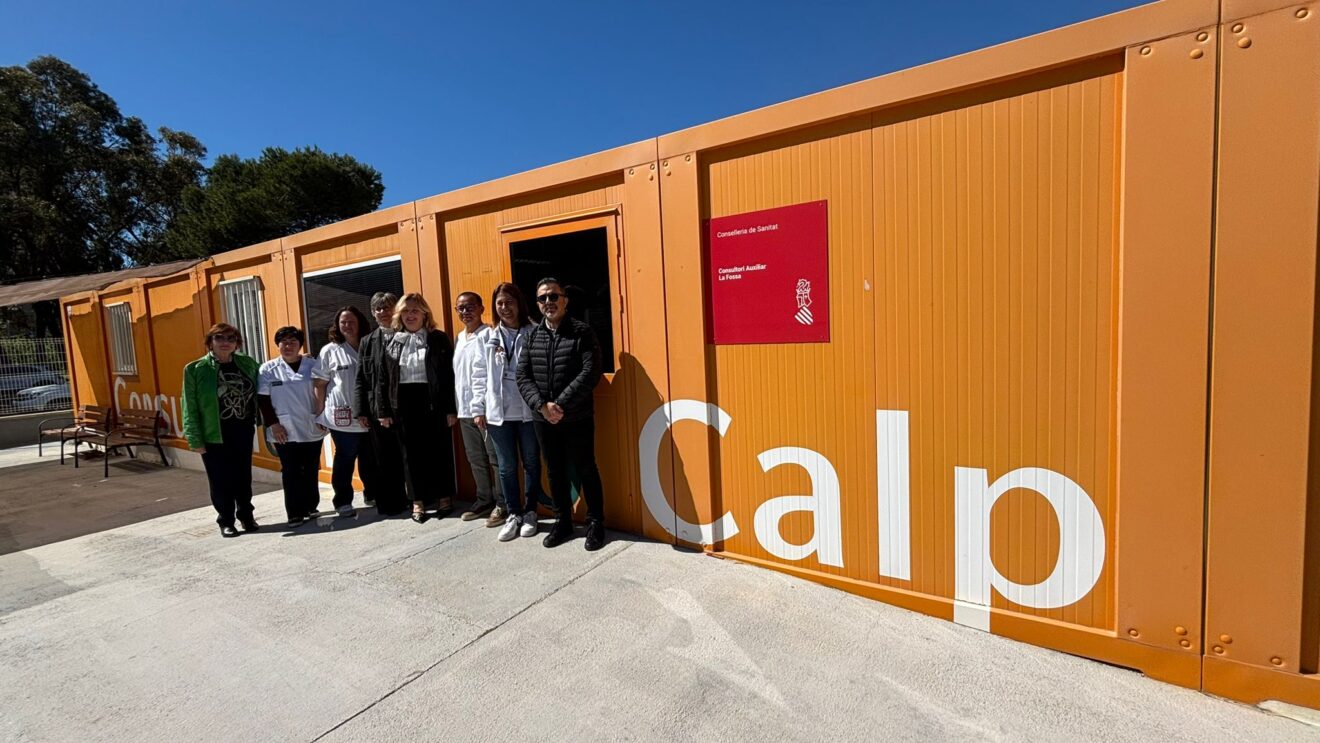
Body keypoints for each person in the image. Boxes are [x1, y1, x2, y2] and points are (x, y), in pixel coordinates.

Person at [516, 277, 606, 550]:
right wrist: (543, 406)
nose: (548, 303)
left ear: (565, 300)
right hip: (543, 418)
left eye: (553, 296)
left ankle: (595, 524)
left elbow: (590, 373)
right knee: (554, 471)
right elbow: (522, 375)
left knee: (586, 468)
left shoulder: (582, 332)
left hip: (576, 416)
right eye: (542, 298)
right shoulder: (531, 335)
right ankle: (563, 522)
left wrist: (560, 405)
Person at [365, 292, 458, 522]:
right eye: (405, 311)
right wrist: (383, 411)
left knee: (439, 450)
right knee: (410, 455)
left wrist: (450, 409)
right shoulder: (394, 341)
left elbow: (448, 377)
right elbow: (384, 379)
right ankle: (418, 502)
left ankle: (444, 497)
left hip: (432, 401)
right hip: (404, 403)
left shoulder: (437, 338)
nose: (410, 315)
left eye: (415, 310)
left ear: (425, 313)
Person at [473, 282, 545, 542]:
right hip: (498, 413)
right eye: (500, 303)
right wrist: (477, 409)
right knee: (506, 466)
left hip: (527, 412)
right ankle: (513, 513)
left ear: (520, 304)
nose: (504, 308)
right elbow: (479, 376)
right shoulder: (488, 337)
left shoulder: (535, 332)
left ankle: (530, 513)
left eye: (509, 302)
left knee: (532, 463)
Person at [182, 323, 260, 538]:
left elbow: (267, 380)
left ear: (237, 343)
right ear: (210, 342)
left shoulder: (247, 363)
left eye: (231, 338)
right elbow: (189, 406)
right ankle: (226, 520)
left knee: (243, 477)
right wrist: (194, 438)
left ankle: (246, 515)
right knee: (220, 479)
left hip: (242, 429)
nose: (225, 342)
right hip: (213, 432)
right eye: (219, 338)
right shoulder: (195, 369)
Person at [258, 326, 327, 526]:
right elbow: (263, 400)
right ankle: (295, 512)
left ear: (300, 345)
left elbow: (324, 389)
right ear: (277, 345)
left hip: (311, 423)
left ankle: (311, 505)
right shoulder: (267, 369)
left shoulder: (313, 364)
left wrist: (322, 417)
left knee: (311, 467)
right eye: (284, 342)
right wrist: (273, 424)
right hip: (283, 429)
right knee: (290, 470)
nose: (288, 346)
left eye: (293, 342)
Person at [313, 306, 374, 518]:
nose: (347, 326)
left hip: (369, 414)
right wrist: (319, 413)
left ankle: (372, 494)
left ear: (360, 323)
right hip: (342, 416)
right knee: (345, 459)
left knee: (369, 458)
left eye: (351, 321)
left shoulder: (370, 344)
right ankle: (342, 500)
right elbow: (320, 383)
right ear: (337, 325)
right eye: (343, 322)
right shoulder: (330, 350)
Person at [451, 291, 504, 525]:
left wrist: (480, 407)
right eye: (461, 308)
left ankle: (502, 503)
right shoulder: (459, 338)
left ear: (482, 308)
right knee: (475, 458)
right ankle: (484, 499)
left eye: (470, 307)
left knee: (495, 458)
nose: (465, 312)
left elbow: (486, 375)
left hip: (484, 411)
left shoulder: (489, 335)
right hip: (464, 411)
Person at [354, 292, 408, 517]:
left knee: (407, 456)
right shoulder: (367, 341)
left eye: (387, 307)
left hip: (405, 407)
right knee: (383, 459)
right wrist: (361, 411)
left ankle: (414, 499)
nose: (383, 312)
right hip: (378, 410)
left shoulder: (407, 335)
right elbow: (360, 379)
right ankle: (390, 504)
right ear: (373, 313)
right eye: (379, 309)